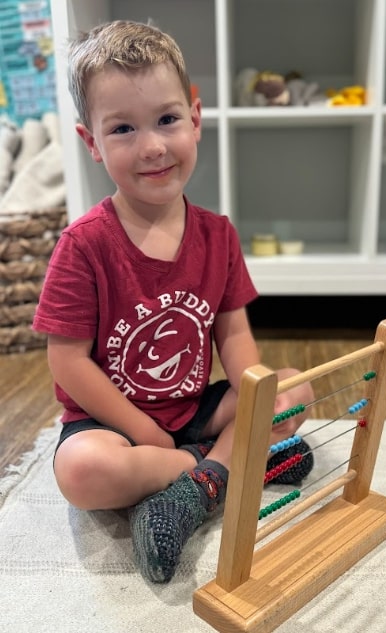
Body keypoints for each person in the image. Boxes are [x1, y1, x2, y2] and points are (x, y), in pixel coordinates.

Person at [33, 19, 314, 584]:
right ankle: (219, 469)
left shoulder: (218, 235)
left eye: (166, 120)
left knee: (294, 391)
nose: (153, 146)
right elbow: (67, 363)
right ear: (91, 143)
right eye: (123, 130)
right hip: (110, 423)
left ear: (196, 119)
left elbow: (232, 335)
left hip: (193, 409)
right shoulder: (83, 246)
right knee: (83, 473)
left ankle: (196, 484)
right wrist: (146, 433)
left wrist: (258, 395)